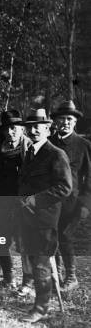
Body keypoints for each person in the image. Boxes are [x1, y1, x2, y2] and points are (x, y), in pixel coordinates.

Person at [18, 108, 72, 322]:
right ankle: (40, 302)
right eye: (29, 127)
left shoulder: (56, 154)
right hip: (28, 217)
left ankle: (41, 309)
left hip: (45, 218)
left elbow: (64, 187)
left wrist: (36, 200)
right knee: (34, 260)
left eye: (37, 126)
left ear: (48, 129)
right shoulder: (30, 153)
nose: (33, 130)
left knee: (41, 263)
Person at [0, 110, 31, 289]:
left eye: (14, 128)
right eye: (6, 129)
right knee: (1, 239)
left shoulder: (29, 148)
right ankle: (8, 277)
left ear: (21, 129)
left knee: (24, 241)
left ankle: (27, 281)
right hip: (1, 199)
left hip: (22, 200)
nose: (10, 132)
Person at [49, 100, 91, 292]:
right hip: (51, 199)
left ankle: (71, 276)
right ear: (55, 121)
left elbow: (89, 177)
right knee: (52, 236)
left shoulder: (83, 145)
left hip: (73, 201)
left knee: (65, 236)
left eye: (69, 119)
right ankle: (55, 276)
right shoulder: (49, 143)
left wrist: (85, 204)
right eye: (61, 119)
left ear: (74, 122)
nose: (65, 122)